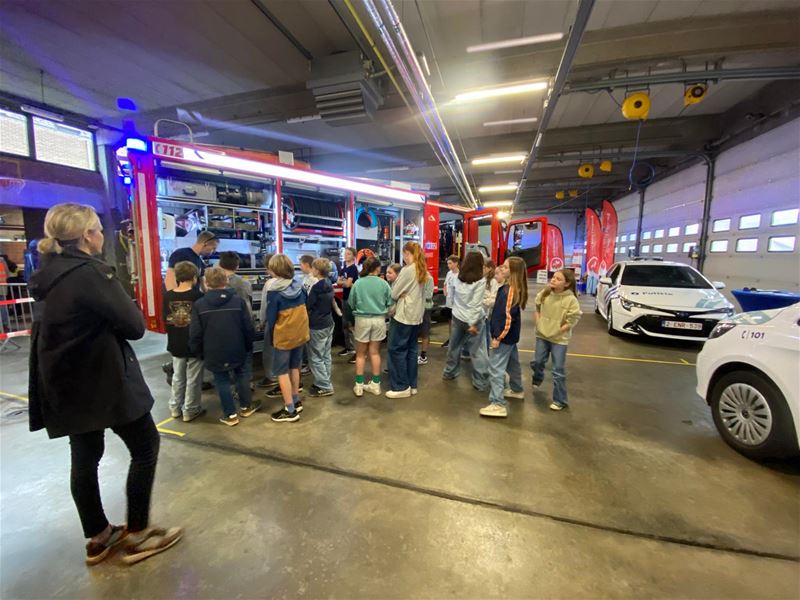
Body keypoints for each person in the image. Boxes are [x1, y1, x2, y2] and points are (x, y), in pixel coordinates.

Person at [28, 202, 181, 566]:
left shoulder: (47, 274)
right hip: (104, 380)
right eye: (97, 230)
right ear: (86, 237)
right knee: (145, 446)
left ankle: (98, 537)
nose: (101, 236)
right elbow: (134, 325)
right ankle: (139, 534)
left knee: (84, 458)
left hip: (66, 383)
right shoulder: (91, 274)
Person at [189, 267, 259, 426]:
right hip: (237, 347)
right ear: (226, 281)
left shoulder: (199, 305)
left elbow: (195, 333)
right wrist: (249, 346)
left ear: (206, 283)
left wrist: (197, 352)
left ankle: (230, 415)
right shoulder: (238, 301)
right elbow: (248, 327)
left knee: (221, 380)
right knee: (242, 376)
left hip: (213, 351)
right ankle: (246, 407)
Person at [480, 257, 528, 418]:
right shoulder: (509, 288)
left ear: (512, 272)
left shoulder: (509, 291)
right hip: (510, 337)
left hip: (504, 337)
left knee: (495, 369)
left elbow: (507, 317)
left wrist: (497, 337)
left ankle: (497, 403)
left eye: (506, 267)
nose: (502, 269)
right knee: (512, 365)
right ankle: (516, 389)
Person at [265, 254, 310, 423]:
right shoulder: (300, 286)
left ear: (275, 270)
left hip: (283, 336)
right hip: (300, 333)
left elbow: (271, 318)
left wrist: (271, 338)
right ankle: (296, 400)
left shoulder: (274, 292)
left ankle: (289, 409)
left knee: (281, 372)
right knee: (295, 367)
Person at [531, 269, 582, 411]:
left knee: (558, 370)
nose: (553, 280)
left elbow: (573, 319)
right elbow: (537, 307)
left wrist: (559, 330)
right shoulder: (545, 293)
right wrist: (539, 323)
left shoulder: (571, 300)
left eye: (558, 279)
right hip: (542, 335)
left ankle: (560, 400)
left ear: (566, 284)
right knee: (538, 361)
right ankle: (537, 377)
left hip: (559, 340)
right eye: (553, 277)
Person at [164, 261, 206, 422]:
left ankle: (175, 407)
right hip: (194, 343)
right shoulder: (198, 297)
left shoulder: (167, 296)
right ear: (194, 277)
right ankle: (191, 409)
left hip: (175, 341)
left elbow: (165, 318)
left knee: (178, 377)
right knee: (194, 378)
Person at [441, 251, 489, 391]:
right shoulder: (480, 281)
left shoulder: (457, 277)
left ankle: (449, 372)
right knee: (477, 351)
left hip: (457, 317)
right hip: (473, 320)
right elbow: (476, 304)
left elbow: (452, 296)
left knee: (454, 347)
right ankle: (480, 382)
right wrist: (472, 323)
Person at [387, 242, 426, 398]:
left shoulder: (408, 270)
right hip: (416, 316)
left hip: (404, 315)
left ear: (407, 253)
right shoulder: (421, 268)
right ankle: (412, 384)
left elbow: (394, 293)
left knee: (396, 350)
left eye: (404, 254)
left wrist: (399, 292)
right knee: (411, 350)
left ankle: (401, 386)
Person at [348, 256, 392, 397]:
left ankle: (359, 386)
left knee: (361, 354)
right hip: (379, 320)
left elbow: (351, 302)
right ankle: (376, 385)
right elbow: (389, 302)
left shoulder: (358, 283)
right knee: (375, 352)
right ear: (378, 268)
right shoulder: (383, 283)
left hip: (362, 319)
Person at [306, 257, 335, 397]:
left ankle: (324, 385)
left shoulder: (317, 287)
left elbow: (309, 305)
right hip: (328, 322)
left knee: (316, 356)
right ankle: (323, 379)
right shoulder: (329, 283)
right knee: (325, 354)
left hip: (317, 324)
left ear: (316, 270)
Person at [257, 253, 277, 389]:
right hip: (289, 323)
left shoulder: (269, 284)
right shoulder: (293, 281)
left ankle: (271, 377)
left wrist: (261, 321)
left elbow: (265, 305)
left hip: (273, 322)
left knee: (269, 351)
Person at [337, 247, 358, 357]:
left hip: (351, 299)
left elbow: (348, 284)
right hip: (344, 298)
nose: (346, 256)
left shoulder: (353, 269)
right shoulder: (343, 268)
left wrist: (343, 282)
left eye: (348, 254)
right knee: (345, 324)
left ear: (353, 256)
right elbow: (338, 281)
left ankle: (355, 349)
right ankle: (348, 347)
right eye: (345, 254)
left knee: (351, 324)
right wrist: (345, 282)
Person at [217, 251, 252, 316]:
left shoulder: (214, 282)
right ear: (237, 267)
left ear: (219, 265)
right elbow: (247, 306)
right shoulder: (245, 283)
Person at [298, 254, 316, 374]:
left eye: (301, 264)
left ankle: (310, 365)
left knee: (311, 342)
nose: (300, 267)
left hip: (311, 314)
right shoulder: (305, 279)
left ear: (306, 265)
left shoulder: (314, 280)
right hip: (305, 313)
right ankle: (307, 362)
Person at [441, 255, 460, 348]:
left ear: (456, 263)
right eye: (448, 263)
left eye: (450, 263)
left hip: (456, 304)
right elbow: (445, 283)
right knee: (450, 322)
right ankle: (451, 338)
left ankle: (456, 341)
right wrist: (444, 289)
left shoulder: (459, 275)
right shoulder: (449, 273)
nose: (448, 265)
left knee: (455, 323)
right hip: (448, 303)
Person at [417, 271, 434, 365]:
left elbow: (428, 295)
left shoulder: (428, 278)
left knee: (425, 332)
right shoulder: (415, 275)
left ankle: (423, 356)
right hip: (416, 308)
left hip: (425, 308)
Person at [482, 259, 499, 349]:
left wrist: (482, 301)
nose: (482, 269)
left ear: (489, 269)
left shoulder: (493, 282)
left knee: (486, 336)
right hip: (480, 314)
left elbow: (493, 300)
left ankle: (487, 356)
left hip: (488, 315)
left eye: (484, 267)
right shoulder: (481, 280)